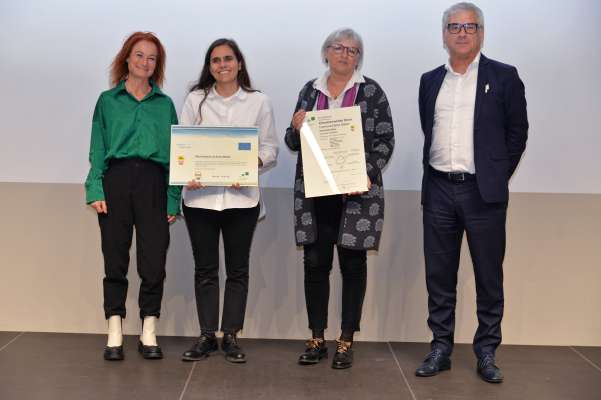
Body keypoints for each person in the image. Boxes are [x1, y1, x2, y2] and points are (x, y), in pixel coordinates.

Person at [415, 2, 528, 383]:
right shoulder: (430, 80)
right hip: (438, 190)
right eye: (454, 26)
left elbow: (517, 134)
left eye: (470, 26)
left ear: (481, 32)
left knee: (488, 277)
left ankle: (486, 353)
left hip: (483, 194)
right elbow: (426, 129)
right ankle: (440, 348)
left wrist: (494, 175)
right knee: (439, 276)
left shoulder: (505, 76)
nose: (462, 32)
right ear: (444, 34)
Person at [285, 28, 394, 369]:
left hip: (356, 197)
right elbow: (292, 142)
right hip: (316, 196)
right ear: (326, 53)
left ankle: (346, 340)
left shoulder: (371, 92)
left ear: (358, 57)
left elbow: (385, 141)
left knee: (352, 266)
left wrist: (366, 174)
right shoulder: (309, 91)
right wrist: (295, 126)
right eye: (339, 48)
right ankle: (316, 337)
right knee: (315, 266)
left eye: (353, 50)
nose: (346, 54)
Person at [179, 38, 278, 364]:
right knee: (205, 270)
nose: (223, 65)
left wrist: (253, 165)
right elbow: (183, 147)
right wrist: (186, 170)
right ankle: (208, 335)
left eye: (228, 59)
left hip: (241, 199)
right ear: (209, 67)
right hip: (200, 199)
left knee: (237, 270)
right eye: (216, 60)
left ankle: (231, 335)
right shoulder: (196, 100)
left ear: (239, 63)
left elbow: (269, 148)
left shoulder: (258, 101)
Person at [85, 31, 181, 361]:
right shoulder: (107, 101)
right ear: (127, 58)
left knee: (153, 262)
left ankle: (148, 329)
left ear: (157, 65)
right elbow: (98, 147)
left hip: (154, 183)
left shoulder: (165, 105)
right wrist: (95, 187)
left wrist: (173, 198)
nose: (145, 62)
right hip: (116, 181)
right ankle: (115, 328)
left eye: (152, 58)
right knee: (115, 258)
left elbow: (175, 156)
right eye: (139, 55)